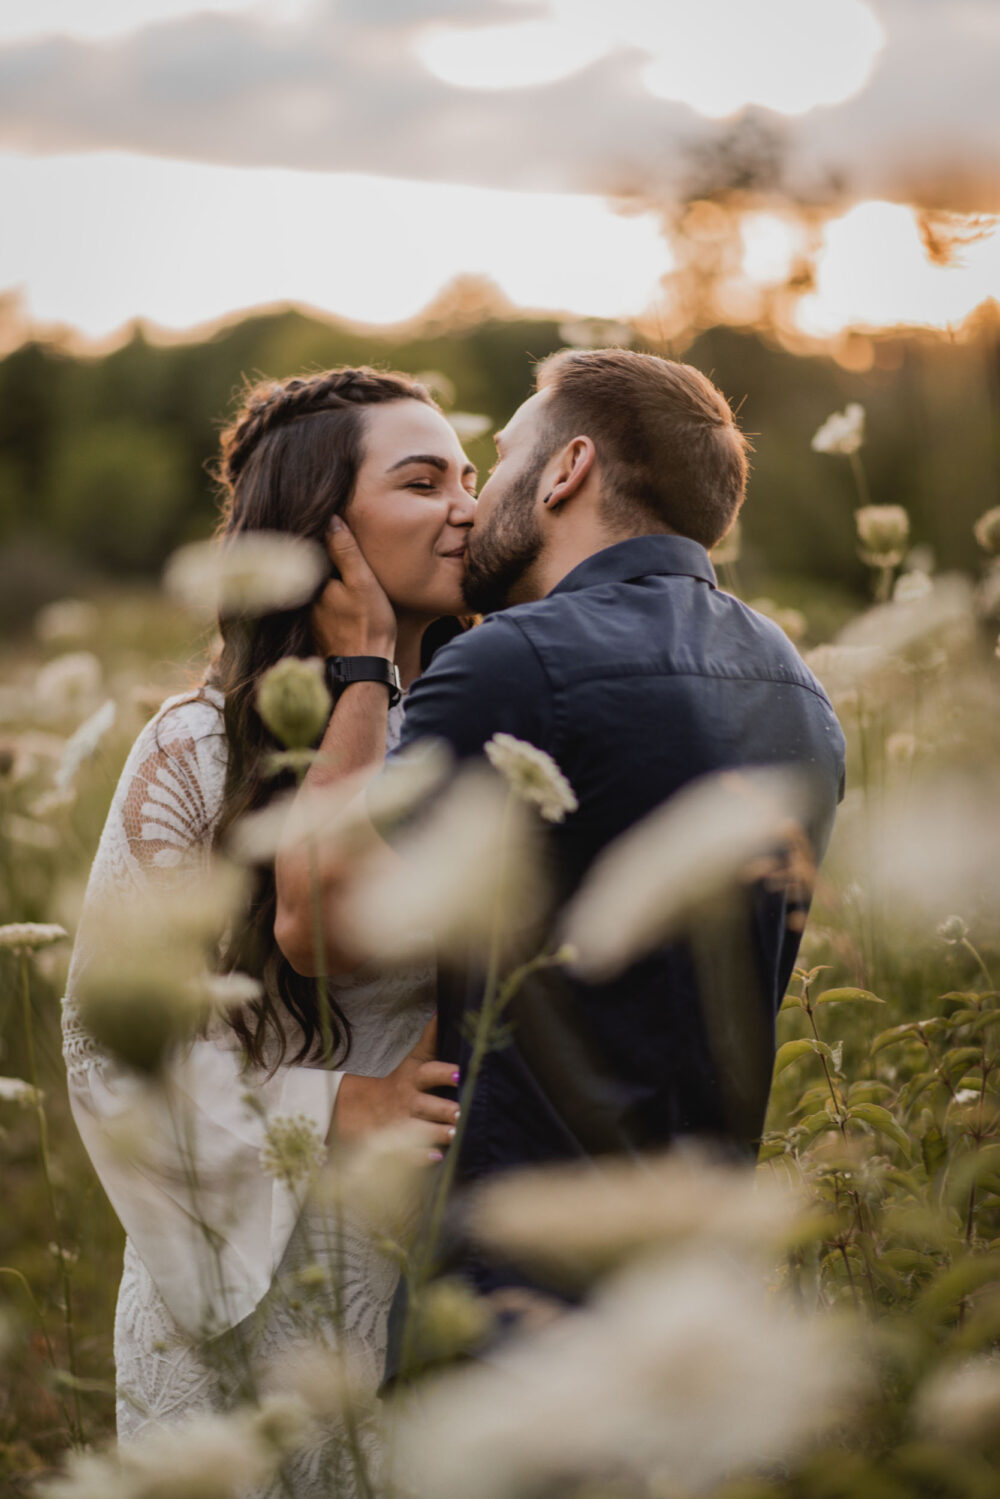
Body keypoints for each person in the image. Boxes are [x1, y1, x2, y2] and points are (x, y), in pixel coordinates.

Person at [274, 348, 847, 1329]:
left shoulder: (516, 662)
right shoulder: (799, 689)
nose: (472, 505)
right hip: (694, 1289)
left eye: (498, 460)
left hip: (514, 1279)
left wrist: (362, 663)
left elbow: (315, 920)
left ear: (566, 469)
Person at [61, 366, 474, 1474]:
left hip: (436, 1255)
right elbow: (110, 1037)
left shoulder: (479, 736)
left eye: (470, 478)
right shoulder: (195, 749)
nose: (467, 508)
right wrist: (334, 1107)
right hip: (258, 1271)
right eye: (423, 481)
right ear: (321, 532)